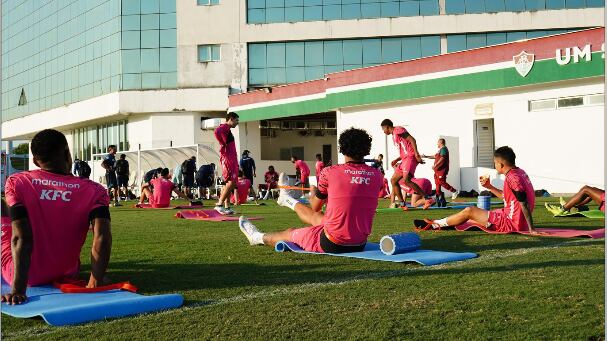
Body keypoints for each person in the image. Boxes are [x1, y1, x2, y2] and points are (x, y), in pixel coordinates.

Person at [1, 129, 112, 305]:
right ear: (67, 153)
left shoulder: (18, 182)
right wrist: (95, 280)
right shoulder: (94, 190)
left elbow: (20, 237)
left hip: (25, 276)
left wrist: (18, 289)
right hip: (67, 273)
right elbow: (102, 237)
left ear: (37, 161)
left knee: (4, 212)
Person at [238, 128, 383, 253]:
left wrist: (313, 192)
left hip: (333, 243)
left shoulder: (330, 172)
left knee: (290, 233)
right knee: (318, 217)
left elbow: (315, 206)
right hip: (359, 243)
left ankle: (256, 237)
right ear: (366, 149)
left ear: (342, 148)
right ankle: (286, 199)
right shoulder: (377, 175)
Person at [415, 146, 538, 234]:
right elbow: (509, 198)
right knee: (476, 216)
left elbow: (524, 203)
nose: (494, 165)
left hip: (512, 223)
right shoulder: (519, 173)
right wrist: (489, 187)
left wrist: (531, 229)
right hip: (515, 219)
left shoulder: (513, 178)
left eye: (495, 163)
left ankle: (435, 224)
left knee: (470, 211)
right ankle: (442, 223)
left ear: (501, 164)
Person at [381, 119, 424, 208]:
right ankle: (402, 203)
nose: (383, 131)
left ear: (387, 127)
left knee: (406, 180)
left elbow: (412, 140)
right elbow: (404, 150)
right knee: (393, 180)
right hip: (404, 159)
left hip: (410, 157)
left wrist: (417, 155)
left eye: (383, 129)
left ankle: (428, 198)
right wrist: (397, 159)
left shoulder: (398, 130)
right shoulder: (393, 135)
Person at [214, 112, 240, 215]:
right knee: (231, 182)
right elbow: (217, 131)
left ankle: (227, 207)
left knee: (230, 183)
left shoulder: (227, 130)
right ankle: (219, 205)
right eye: (237, 120)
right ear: (231, 119)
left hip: (231, 158)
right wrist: (222, 143)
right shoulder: (224, 127)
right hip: (228, 158)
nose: (237, 123)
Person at [423, 138, 458, 207]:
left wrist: (436, 165)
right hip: (437, 170)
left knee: (442, 181)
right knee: (437, 184)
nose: (437, 144)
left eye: (437, 143)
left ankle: (454, 191)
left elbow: (442, 158)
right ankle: (439, 199)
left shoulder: (444, 149)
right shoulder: (440, 151)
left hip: (442, 170)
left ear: (440, 143)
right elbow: (434, 156)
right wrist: (426, 156)